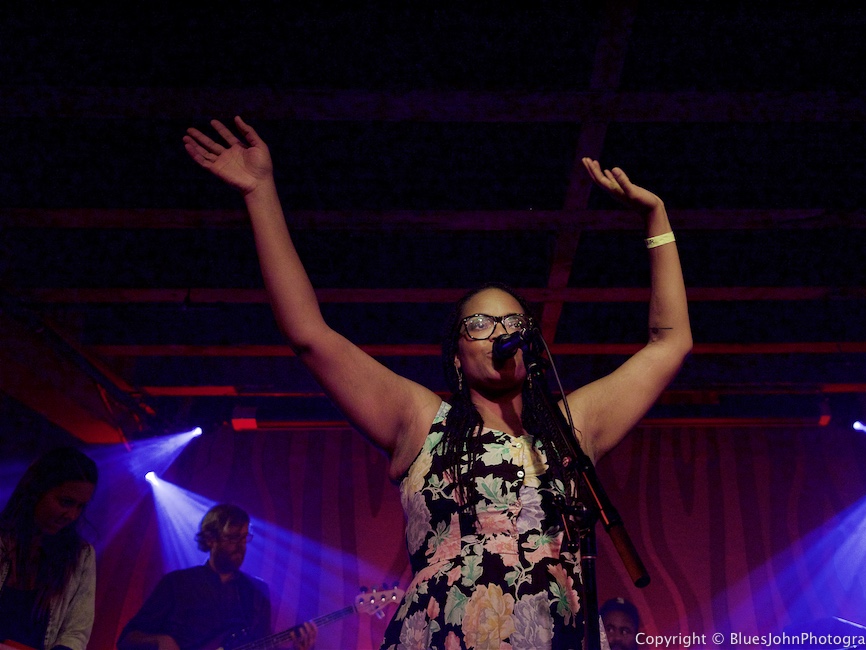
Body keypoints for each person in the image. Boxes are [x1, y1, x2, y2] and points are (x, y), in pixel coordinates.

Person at [182, 116, 691, 650]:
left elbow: (669, 342)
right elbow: (311, 335)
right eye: (481, 324)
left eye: (514, 324)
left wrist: (655, 218)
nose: (501, 333)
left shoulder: (571, 428)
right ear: (455, 354)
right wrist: (261, 193)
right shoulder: (421, 419)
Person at [117, 504, 315, 650]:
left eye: (245, 537)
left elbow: (262, 644)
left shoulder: (257, 591)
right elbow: (126, 640)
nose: (241, 546)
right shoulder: (177, 584)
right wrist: (160, 640)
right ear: (210, 539)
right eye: (232, 538)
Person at [0, 447, 99, 650]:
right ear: (37, 491)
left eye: (80, 507)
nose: (72, 515)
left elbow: (76, 632)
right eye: (65, 502)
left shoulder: (81, 556)